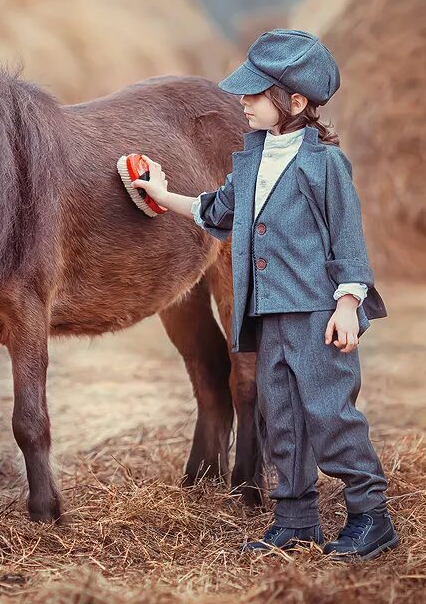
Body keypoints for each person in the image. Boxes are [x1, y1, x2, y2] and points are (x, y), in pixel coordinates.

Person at [124, 29, 398, 561]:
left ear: (295, 103)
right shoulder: (249, 161)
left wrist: (347, 305)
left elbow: (348, 241)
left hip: (317, 314)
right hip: (265, 315)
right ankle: (295, 519)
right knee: (280, 418)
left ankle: (372, 516)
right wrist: (160, 195)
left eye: (255, 94)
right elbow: (215, 211)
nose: (243, 102)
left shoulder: (325, 166)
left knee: (330, 415)